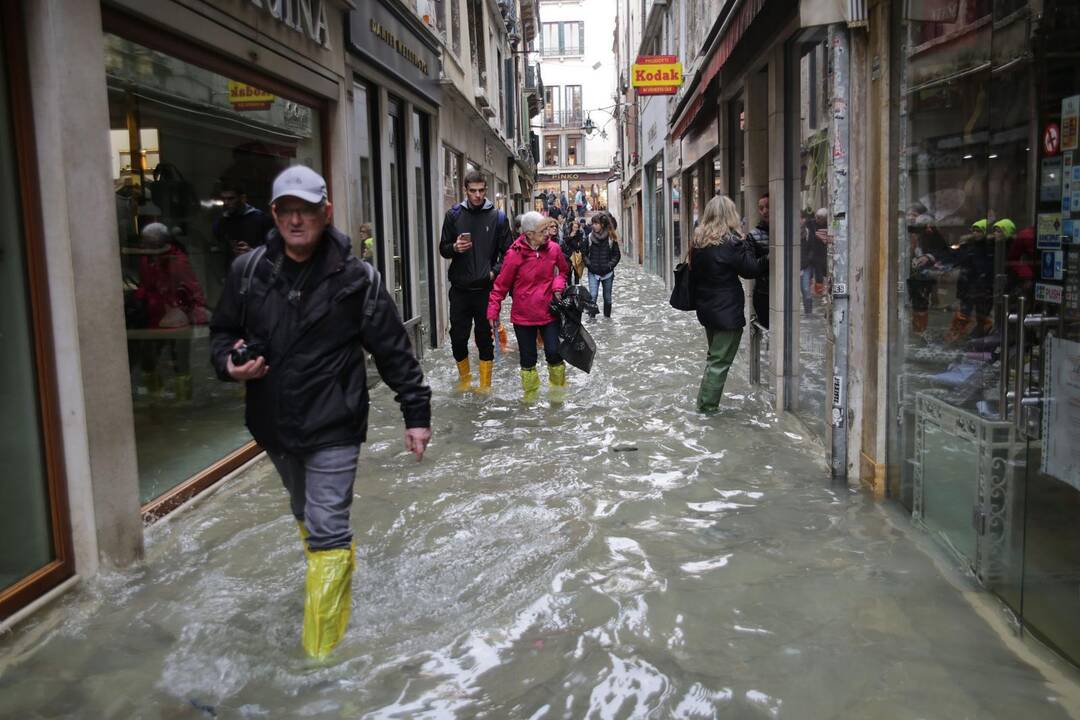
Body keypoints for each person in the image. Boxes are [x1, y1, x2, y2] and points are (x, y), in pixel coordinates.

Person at [209, 166, 432, 659]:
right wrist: (230, 364)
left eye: (306, 210)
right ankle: (331, 581)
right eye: (286, 210)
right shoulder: (247, 273)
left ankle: (320, 658)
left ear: (324, 212)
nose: (295, 219)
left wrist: (415, 413)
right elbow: (222, 333)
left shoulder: (357, 280)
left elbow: (394, 351)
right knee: (304, 513)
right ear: (273, 214)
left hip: (335, 422)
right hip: (273, 424)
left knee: (327, 525)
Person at [689, 195, 769, 413]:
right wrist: (772, 255)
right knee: (719, 363)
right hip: (726, 312)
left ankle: (704, 406)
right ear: (729, 215)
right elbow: (750, 270)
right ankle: (706, 410)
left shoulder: (698, 242)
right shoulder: (731, 242)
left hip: (707, 310)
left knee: (714, 358)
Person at [438, 170, 513, 391]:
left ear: (486, 190)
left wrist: (494, 272)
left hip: (485, 289)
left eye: (481, 191)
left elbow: (508, 253)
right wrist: (454, 247)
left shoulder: (498, 217)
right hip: (460, 289)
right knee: (458, 338)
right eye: (473, 191)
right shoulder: (453, 215)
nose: (477, 195)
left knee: (484, 338)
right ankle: (465, 380)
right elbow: (443, 248)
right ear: (465, 190)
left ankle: (485, 386)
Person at [488, 213, 569, 400]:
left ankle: (558, 392)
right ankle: (530, 397)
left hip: (549, 311)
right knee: (528, 359)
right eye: (543, 231)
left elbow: (563, 271)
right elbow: (500, 286)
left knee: (554, 353)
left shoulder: (554, 249)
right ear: (529, 234)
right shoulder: (513, 255)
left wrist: (558, 286)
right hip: (523, 316)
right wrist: (493, 309)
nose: (548, 234)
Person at [213, 180, 274, 274]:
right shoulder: (222, 221)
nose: (226, 202)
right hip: (233, 271)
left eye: (231, 199)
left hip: (257, 271)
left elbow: (274, 250)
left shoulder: (260, 219)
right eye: (223, 199)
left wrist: (252, 253)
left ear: (242, 198)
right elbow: (219, 244)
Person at [584, 211, 622, 318]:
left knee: (607, 298)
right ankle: (592, 321)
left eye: (596, 223)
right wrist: (590, 265)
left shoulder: (610, 238)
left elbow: (617, 255)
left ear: (602, 224)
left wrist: (610, 265)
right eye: (593, 223)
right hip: (593, 272)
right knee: (593, 296)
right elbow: (584, 254)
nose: (594, 226)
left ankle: (607, 319)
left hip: (608, 273)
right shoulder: (589, 237)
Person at [747, 192, 770, 328]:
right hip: (763, 294)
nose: (765, 211)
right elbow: (751, 268)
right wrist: (769, 257)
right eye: (761, 208)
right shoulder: (753, 235)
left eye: (768, 206)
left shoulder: (792, 230)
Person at [561, 218, 587, 285]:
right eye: (574, 227)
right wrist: (570, 237)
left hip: (577, 256)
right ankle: (569, 288)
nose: (575, 229)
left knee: (577, 274)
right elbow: (564, 243)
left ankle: (576, 288)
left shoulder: (580, 235)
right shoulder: (567, 234)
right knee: (569, 273)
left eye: (576, 227)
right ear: (571, 227)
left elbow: (578, 246)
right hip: (568, 256)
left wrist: (571, 239)